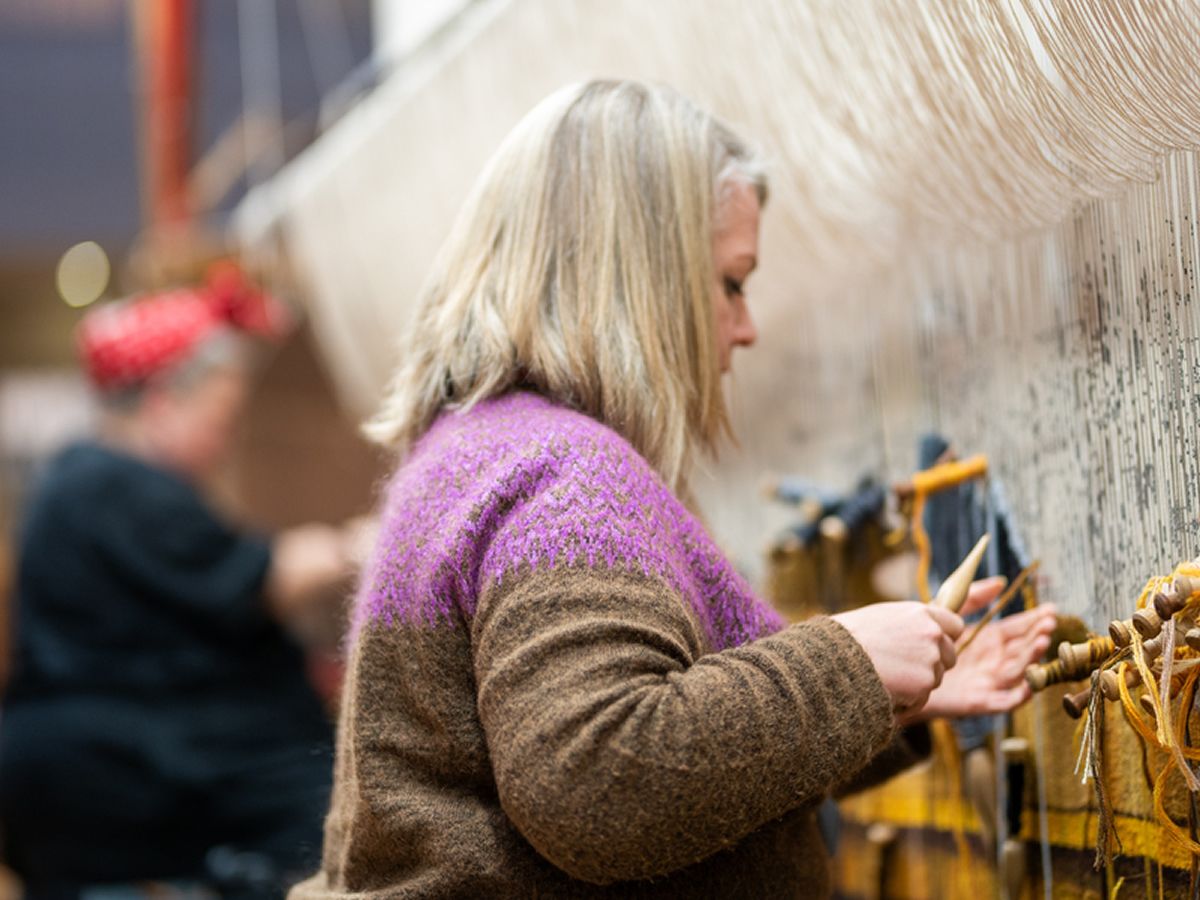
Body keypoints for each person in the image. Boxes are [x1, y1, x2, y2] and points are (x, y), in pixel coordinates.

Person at [290, 80, 1057, 898]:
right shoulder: (567, 485)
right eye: (731, 283)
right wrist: (849, 664)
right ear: (647, 280)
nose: (746, 325)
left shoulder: (477, 451)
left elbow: (658, 767)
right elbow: (599, 781)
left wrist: (889, 704)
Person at [0, 268, 357, 897]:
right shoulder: (110, 483)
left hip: (97, 768)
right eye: (222, 418)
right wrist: (367, 542)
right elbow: (263, 578)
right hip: (125, 772)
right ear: (164, 401)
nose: (227, 444)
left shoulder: (83, 483)